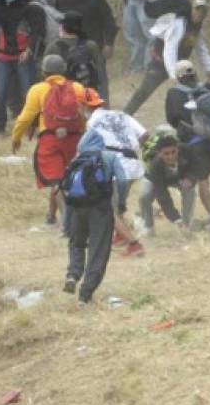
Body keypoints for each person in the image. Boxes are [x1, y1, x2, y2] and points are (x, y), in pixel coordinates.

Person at [11, 54, 86, 226]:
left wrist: (16, 137)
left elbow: (25, 117)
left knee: (56, 181)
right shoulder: (77, 87)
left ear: (43, 72)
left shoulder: (37, 89)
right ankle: (51, 217)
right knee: (67, 179)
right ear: (64, 71)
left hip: (50, 140)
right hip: (75, 140)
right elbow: (85, 114)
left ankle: (69, 224)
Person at [63, 129, 129, 303]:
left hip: (77, 209)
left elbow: (66, 190)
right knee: (98, 250)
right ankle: (85, 294)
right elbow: (122, 180)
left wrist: (65, 223)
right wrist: (121, 202)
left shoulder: (77, 160)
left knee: (76, 244)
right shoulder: (109, 157)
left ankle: (72, 275)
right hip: (100, 210)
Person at [83, 88, 147, 257]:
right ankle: (120, 235)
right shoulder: (121, 114)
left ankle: (134, 244)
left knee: (105, 207)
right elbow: (145, 134)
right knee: (117, 202)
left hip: (115, 165)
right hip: (133, 164)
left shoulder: (92, 123)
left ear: (84, 106)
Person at [123, 0, 210, 115]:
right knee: (144, 91)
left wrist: (209, 67)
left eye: (202, 13)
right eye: (197, 10)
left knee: (192, 92)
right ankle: (125, 115)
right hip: (160, 63)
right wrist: (173, 74)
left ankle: (194, 121)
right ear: (192, 10)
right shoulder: (179, 23)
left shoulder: (197, 28)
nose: (198, 14)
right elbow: (170, 49)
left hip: (181, 67)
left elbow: (201, 48)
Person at [164, 59, 210, 216]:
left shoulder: (174, 93)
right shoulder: (206, 87)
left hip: (193, 140)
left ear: (178, 76)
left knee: (202, 177)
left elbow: (171, 119)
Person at [0, 0, 45, 134]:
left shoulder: (27, 9)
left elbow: (36, 32)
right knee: (0, 93)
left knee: (29, 92)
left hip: (23, 56)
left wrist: (29, 49)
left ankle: (32, 124)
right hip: (3, 56)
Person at [55, 0, 117, 99]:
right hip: (69, 47)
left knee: (99, 80)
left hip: (94, 46)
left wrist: (109, 44)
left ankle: (103, 108)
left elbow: (109, 21)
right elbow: (56, 20)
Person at [139, 133, 210, 233]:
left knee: (189, 189)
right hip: (156, 179)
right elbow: (162, 195)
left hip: (180, 177)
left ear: (178, 149)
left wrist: (190, 178)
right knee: (144, 196)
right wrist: (176, 218)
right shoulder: (155, 166)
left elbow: (198, 166)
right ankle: (148, 226)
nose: (171, 156)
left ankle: (187, 222)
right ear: (159, 153)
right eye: (166, 154)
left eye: (173, 152)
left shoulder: (186, 150)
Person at [45, 11, 100, 90]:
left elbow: (46, 75)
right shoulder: (91, 45)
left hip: (64, 94)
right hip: (88, 92)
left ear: (63, 27)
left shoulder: (53, 47)